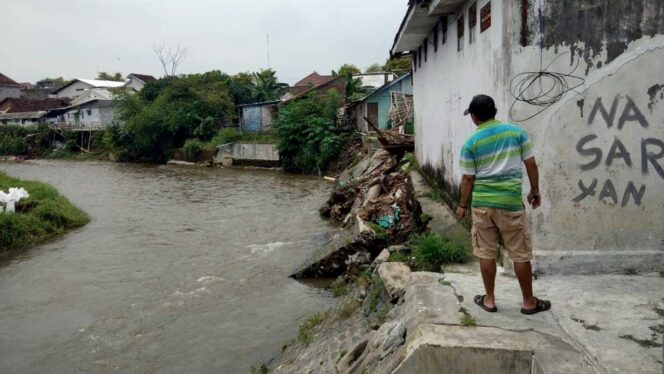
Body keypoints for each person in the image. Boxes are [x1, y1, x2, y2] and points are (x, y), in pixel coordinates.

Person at [456, 94, 551, 315]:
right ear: (495, 111)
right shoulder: (517, 133)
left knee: (486, 253)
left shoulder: (471, 143)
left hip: (482, 205)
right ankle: (528, 302)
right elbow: (530, 163)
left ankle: (489, 300)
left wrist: (462, 205)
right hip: (510, 203)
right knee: (519, 254)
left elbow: (468, 179)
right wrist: (534, 190)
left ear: (474, 117)